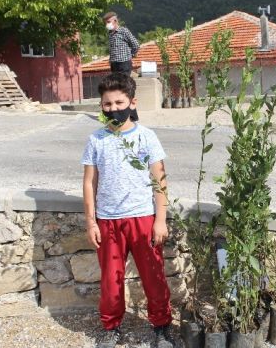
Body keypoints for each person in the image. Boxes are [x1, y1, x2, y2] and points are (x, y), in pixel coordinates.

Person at [81, 73, 174, 348]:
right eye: (107, 104)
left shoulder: (147, 137)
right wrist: (91, 222)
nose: (113, 109)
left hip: (143, 218)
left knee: (154, 276)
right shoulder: (96, 139)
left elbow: (160, 180)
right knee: (111, 280)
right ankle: (111, 327)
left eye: (118, 102)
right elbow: (89, 182)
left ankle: (162, 326)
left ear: (132, 102)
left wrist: (160, 220)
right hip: (108, 221)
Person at [103, 11, 140, 121]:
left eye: (108, 22)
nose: (107, 25)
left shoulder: (124, 31)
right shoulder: (110, 34)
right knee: (116, 88)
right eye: (106, 23)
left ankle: (132, 114)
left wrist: (130, 55)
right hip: (114, 64)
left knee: (126, 87)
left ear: (115, 21)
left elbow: (136, 45)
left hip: (124, 63)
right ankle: (119, 113)